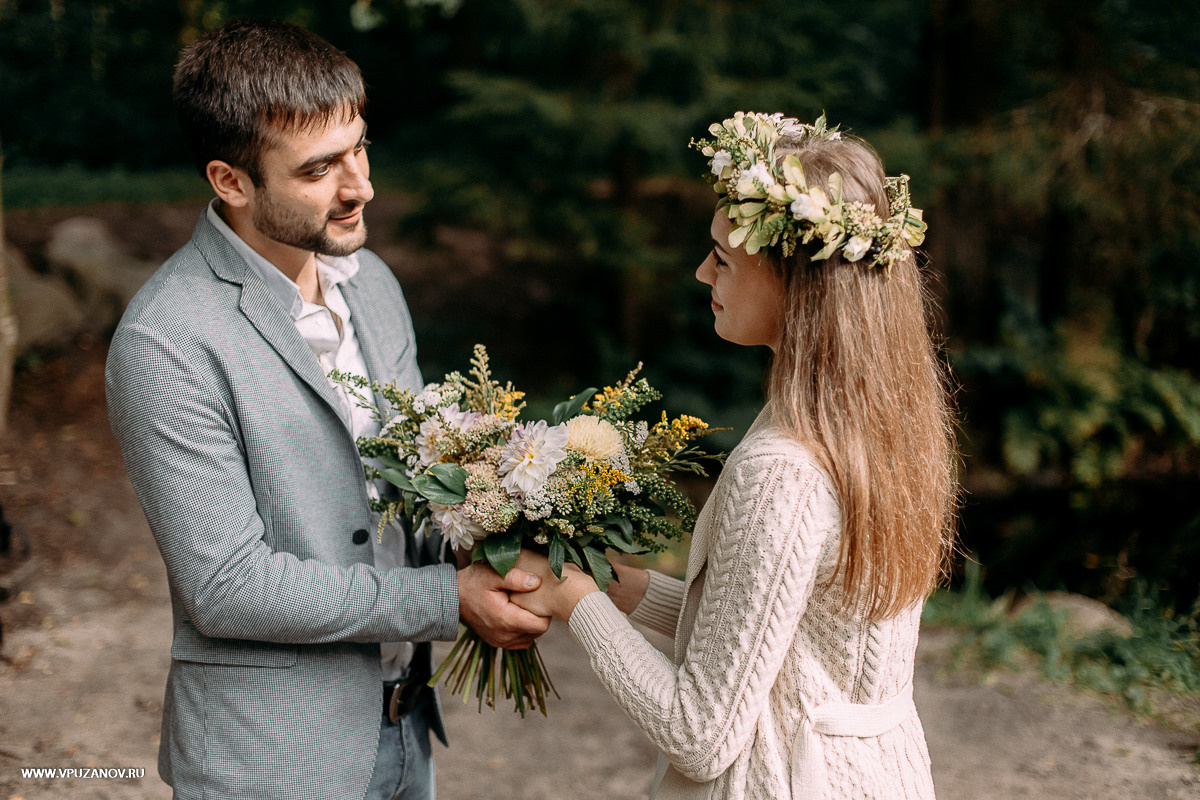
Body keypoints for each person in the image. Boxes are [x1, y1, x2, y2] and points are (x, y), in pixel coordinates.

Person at [105, 19, 548, 800]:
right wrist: (448, 600)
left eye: (360, 148)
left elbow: (421, 478)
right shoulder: (165, 339)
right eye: (319, 170)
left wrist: (522, 512)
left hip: (408, 727)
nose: (361, 186)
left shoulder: (370, 282)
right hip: (271, 760)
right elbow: (229, 585)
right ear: (230, 181)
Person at [512, 112, 957, 799]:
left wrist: (577, 605)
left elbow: (698, 733)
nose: (700, 273)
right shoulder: (882, 424)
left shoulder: (783, 469)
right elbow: (767, 627)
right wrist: (603, 579)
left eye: (722, 258)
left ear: (794, 283)